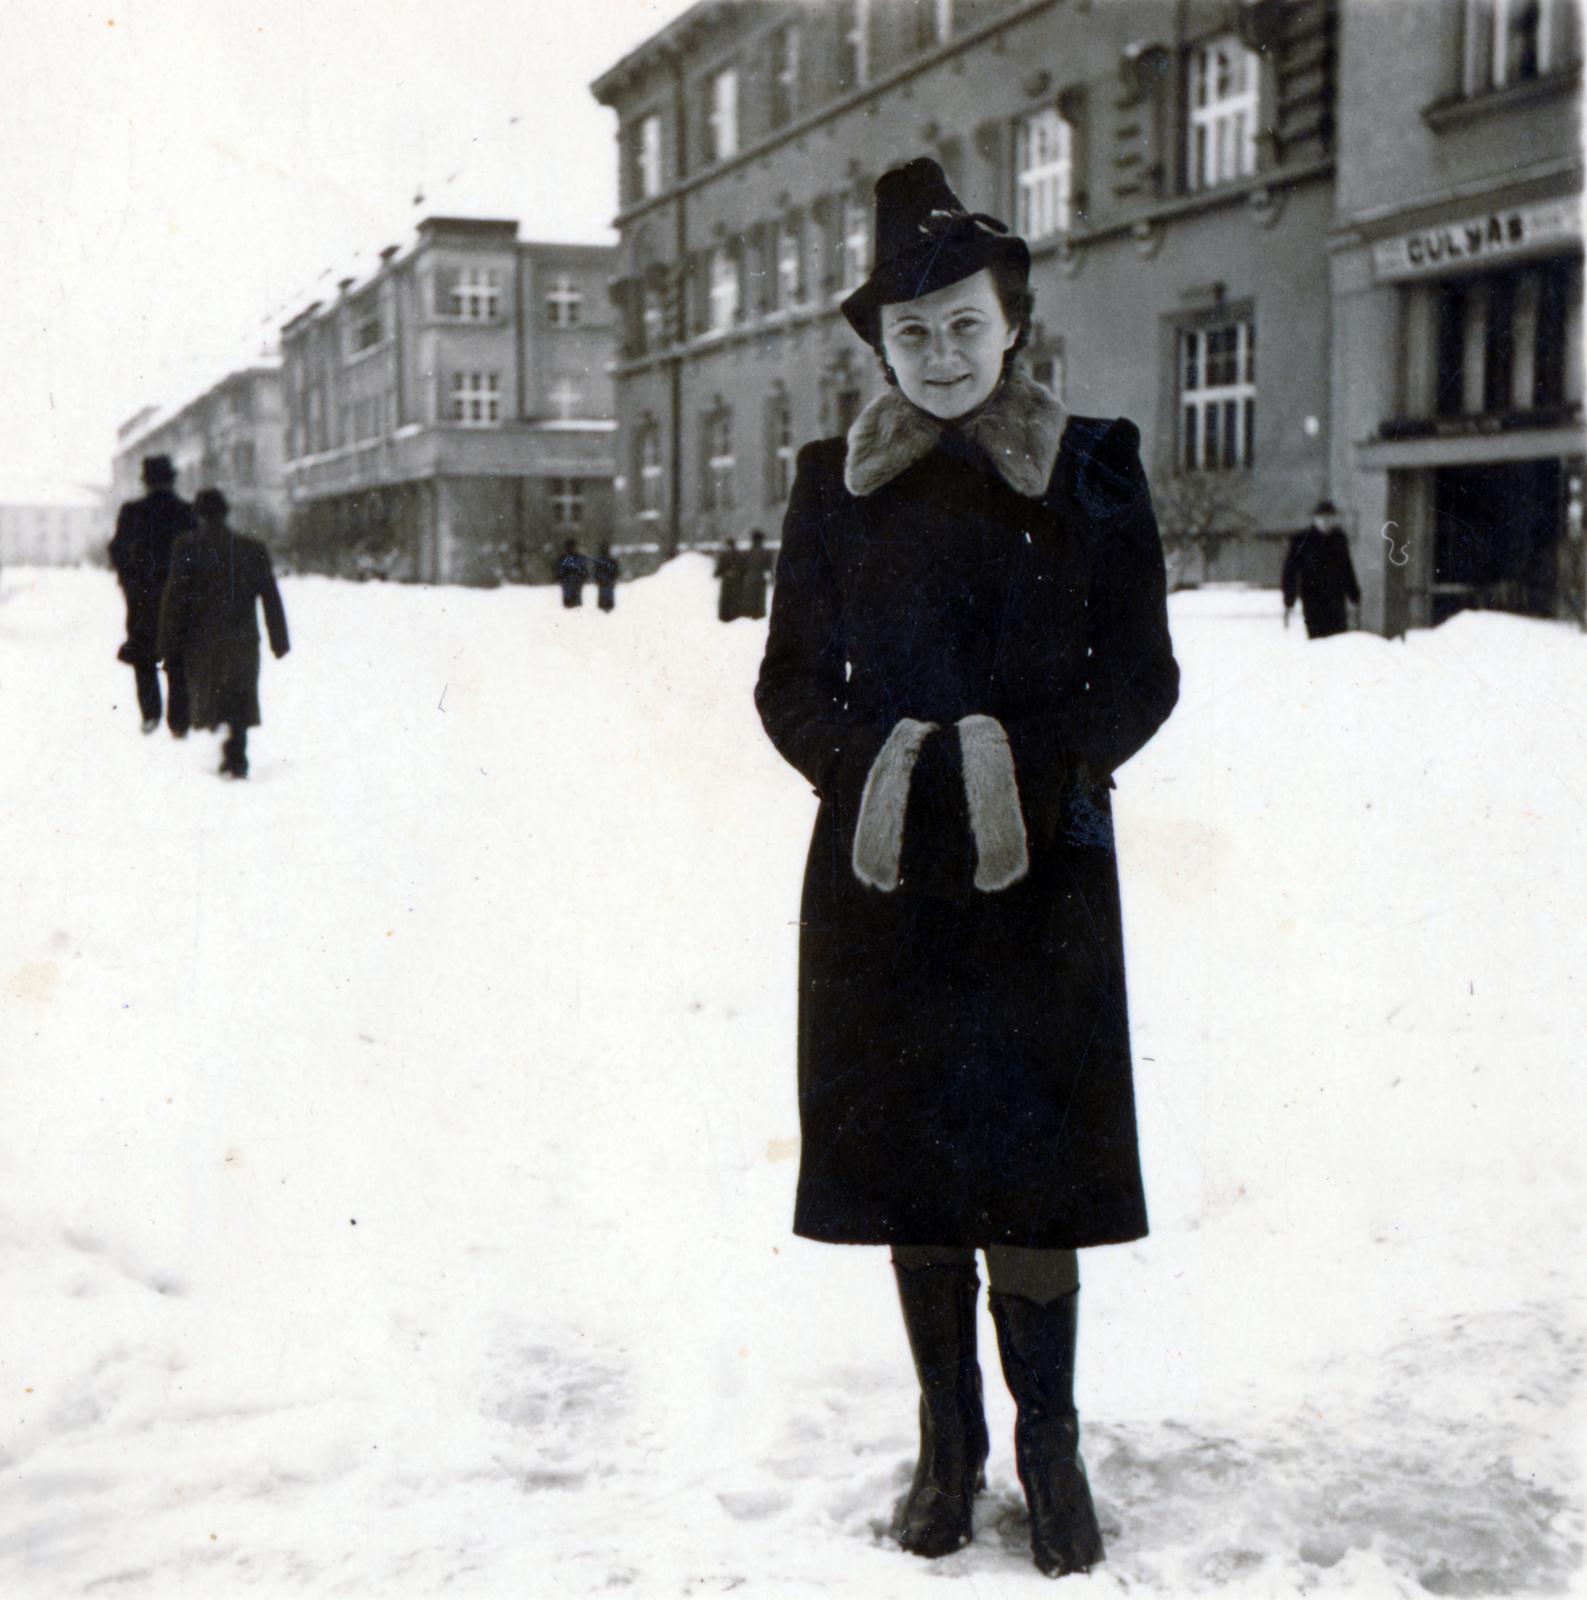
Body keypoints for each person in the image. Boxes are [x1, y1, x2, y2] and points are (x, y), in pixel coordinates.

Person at [754, 158, 1179, 1580]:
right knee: (910, 1165)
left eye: (962, 326)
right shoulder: (831, 484)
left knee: (1034, 1167)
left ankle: (1046, 1443)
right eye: (911, 333)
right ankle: (950, 1443)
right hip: (875, 882)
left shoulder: (1093, 467)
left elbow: (1139, 678)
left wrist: (1021, 769)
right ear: (880, 346)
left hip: (1037, 874)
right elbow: (787, 687)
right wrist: (873, 771)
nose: (938, 355)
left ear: (1012, 326)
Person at [157, 488, 289, 780]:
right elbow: (270, 596)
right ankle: (236, 753)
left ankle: (223, 749)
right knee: (240, 697)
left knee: (211, 695)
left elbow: (175, 600)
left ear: (199, 514)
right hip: (242, 639)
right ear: (226, 512)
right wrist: (279, 640)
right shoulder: (252, 548)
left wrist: (168, 645)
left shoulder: (187, 547)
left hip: (201, 643)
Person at [109, 454, 195, 735]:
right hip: (179, 597)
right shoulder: (186, 511)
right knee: (179, 656)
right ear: (172, 479)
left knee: (143, 655)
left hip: (143, 596)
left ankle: (150, 715)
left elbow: (117, 551)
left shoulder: (131, 512)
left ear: (145, 481)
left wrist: (129, 582)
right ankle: (179, 721)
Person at [1282, 499, 1361, 638]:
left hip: (1336, 599)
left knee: (1338, 640)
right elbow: (1290, 571)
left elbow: (1347, 568)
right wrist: (1289, 600)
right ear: (1315, 518)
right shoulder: (1302, 540)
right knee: (1317, 640)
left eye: (1329, 518)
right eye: (1321, 517)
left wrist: (1354, 595)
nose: (1325, 522)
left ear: (1334, 519)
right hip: (1313, 599)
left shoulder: (1339, 539)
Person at [739, 529, 774, 620]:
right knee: (759, 597)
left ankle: (748, 613)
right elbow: (769, 567)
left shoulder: (747, 552)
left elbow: (742, 566)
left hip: (748, 577)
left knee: (749, 596)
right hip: (760, 577)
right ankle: (758, 614)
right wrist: (772, 579)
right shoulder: (766, 553)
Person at [714, 537, 743, 622]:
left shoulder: (724, 555)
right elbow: (742, 569)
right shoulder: (739, 555)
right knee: (735, 599)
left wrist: (718, 573)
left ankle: (725, 617)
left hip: (726, 581)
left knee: (726, 599)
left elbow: (719, 570)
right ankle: (735, 616)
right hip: (736, 581)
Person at [557, 540, 588, 607]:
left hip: (576, 583)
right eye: (568, 547)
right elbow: (558, 571)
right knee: (568, 602)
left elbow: (584, 570)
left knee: (576, 602)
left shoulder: (578, 558)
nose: (570, 548)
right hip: (567, 583)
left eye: (571, 546)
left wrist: (581, 578)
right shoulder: (562, 558)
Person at [592, 542, 620, 612]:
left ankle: (605, 605)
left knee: (605, 594)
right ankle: (606, 605)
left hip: (605, 582)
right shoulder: (610, 561)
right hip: (606, 582)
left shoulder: (599, 561)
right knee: (606, 595)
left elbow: (595, 572)